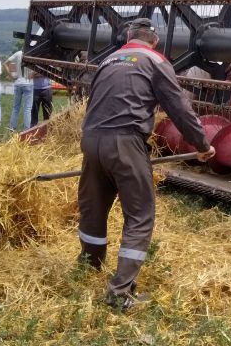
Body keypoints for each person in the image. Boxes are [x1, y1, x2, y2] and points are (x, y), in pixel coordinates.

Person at [78, 18, 214, 311]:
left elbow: (93, 104)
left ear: (127, 38)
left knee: (94, 206)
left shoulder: (108, 61)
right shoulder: (155, 60)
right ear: (155, 41)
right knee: (140, 215)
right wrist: (202, 145)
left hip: (91, 139)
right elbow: (179, 107)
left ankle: (87, 267)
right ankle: (120, 292)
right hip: (125, 141)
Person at [6, 45, 33, 133]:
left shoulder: (18, 53)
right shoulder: (33, 54)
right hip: (28, 83)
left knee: (16, 107)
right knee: (27, 108)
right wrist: (32, 75)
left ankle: (11, 128)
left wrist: (12, 76)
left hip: (18, 82)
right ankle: (26, 131)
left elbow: (5, 63)